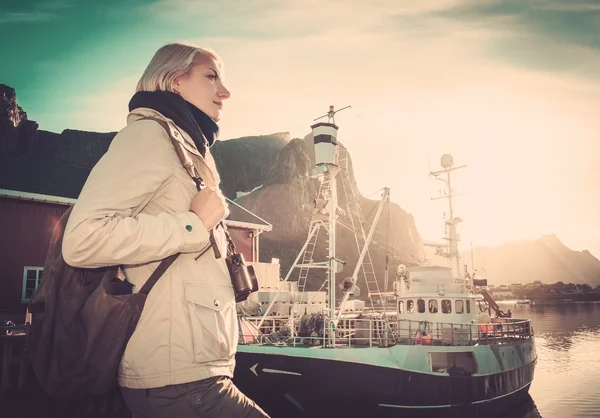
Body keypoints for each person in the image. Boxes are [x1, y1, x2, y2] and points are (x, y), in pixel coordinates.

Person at [62, 42, 269, 418]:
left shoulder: (187, 148)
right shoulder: (148, 138)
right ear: (175, 82)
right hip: (177, 380)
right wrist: (193, 223)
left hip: (193, 372)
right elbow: (83, 239)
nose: (225, 91)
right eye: (211, 76)